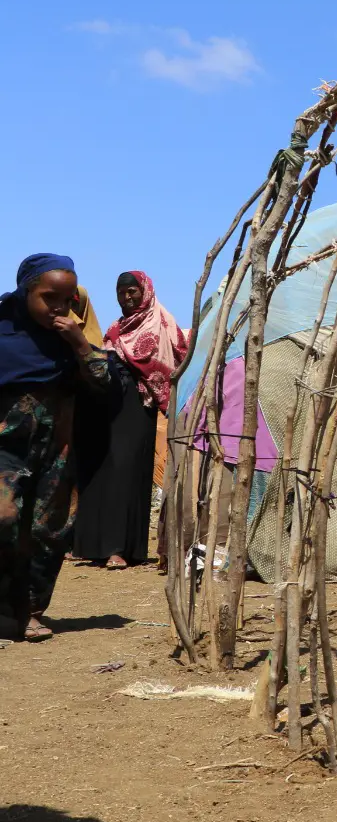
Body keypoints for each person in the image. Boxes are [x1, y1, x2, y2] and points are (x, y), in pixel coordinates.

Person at [0, 254, 112, 641]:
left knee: (49, 528)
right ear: (26, 290)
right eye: (50, 298)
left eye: (68, 300)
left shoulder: (70, 338)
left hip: (57, 449)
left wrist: (78, 341)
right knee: (3, 518)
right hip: (6, 448)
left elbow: (103, 382)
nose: (60, 308)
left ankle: (29, 611)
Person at [76, 272, 186, 569]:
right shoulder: (116, 328)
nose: (127, 297)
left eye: (132, 291)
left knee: (127, 471)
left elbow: (173, 361)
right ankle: (94, 545)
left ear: (145, 290)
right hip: (109, 405)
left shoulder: (162, 322)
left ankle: (122, 549)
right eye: (121, 292)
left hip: (140, 404)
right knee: (103, 468)